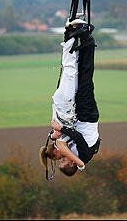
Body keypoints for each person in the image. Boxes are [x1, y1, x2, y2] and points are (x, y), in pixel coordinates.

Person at [39, 16, 100, 177]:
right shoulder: (83, 157)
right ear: (71, 163)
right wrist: (61, 129)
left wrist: (55, 134)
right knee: (85, 77)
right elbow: (78, 137)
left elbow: (62, 140)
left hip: (80, 115)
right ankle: (87, 38)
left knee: (78, 75)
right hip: (87, 115)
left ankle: (78, 37)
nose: (63, 159)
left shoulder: (73, 152)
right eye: (64, 162)